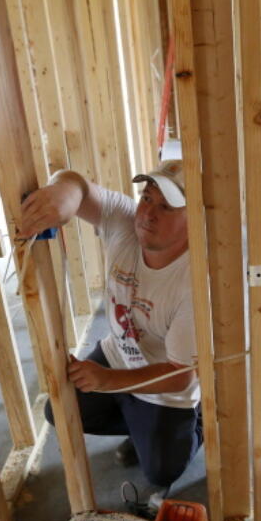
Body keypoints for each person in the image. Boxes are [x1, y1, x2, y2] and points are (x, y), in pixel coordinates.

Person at [18, 161, 200, 499]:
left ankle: (196, 421)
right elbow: (78, 184)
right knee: (59, 410)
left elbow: (181, 375)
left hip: (165, 379)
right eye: (147, 198)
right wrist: (64, 193)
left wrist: (106, 381)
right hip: (119, 354)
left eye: (166, 206)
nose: (148, 213)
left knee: (162, 471)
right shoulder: (125, 223)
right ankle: (139, 420)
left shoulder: (194, 282)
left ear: (196, 221)